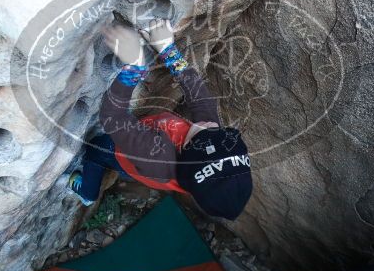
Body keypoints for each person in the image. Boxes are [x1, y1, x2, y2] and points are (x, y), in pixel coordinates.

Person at [68, 18, 253, 220]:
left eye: (205, 136)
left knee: (96, 148)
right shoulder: (209, 140)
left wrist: (135, 67)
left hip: (126, 155)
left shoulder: (157, 157)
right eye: (222, 132)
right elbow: (202, 101)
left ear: (186, 156)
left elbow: (113, 117)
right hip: (148, 147)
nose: (211, 125)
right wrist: (168, 50)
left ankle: (87, 193)